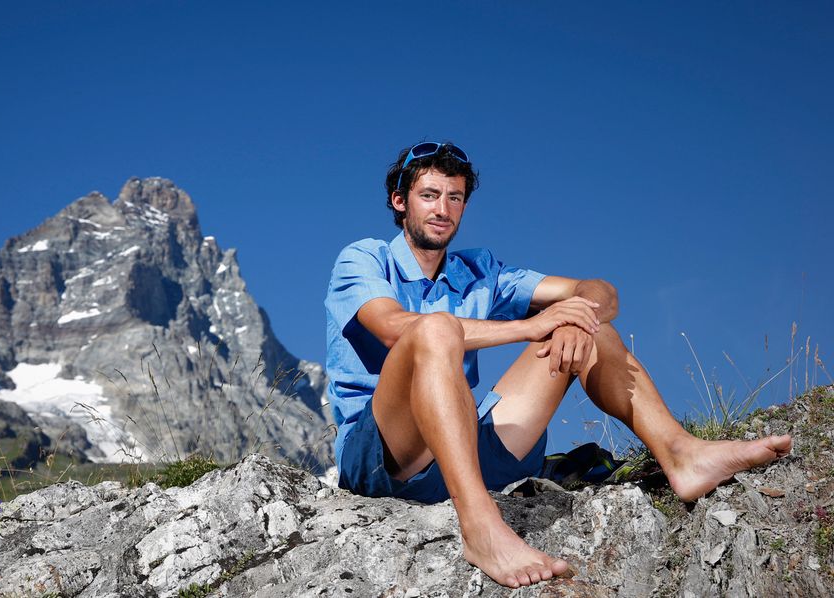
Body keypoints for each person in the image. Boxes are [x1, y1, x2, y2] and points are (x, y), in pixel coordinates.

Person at [324, 140, 793, 589]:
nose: (443, 209)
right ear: (400, 201)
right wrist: (531, 326)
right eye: (429, 195)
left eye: (455, 197)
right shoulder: (364, 259)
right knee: (435, 329)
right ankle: (482, 527)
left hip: (465, 445)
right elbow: (393, 327)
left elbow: (600, 290)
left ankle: (683, 456)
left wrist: (574, 319)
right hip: (385, 459)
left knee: (592, 331)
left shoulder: (479, 270)